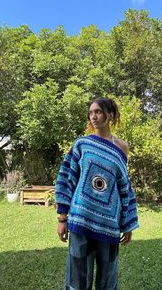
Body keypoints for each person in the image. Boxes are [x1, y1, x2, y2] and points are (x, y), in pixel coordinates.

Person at [55, 97, 139, 290]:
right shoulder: (82, 144)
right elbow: (67, 178)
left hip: (109, 224)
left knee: (107, 279)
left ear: (110, 115)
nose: (93, 116)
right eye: (91, 112)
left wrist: (128, 223)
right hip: (80, 221)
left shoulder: (122, 147)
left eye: (98, 112)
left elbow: (123, 187)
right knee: (77, 280)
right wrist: (62, 217)